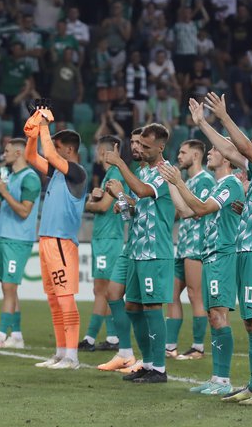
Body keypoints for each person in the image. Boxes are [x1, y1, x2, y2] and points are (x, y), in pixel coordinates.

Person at [197, 93, 252, 405]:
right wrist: (203, 123)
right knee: (251, 323)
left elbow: (242, 148)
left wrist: (223, 116)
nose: (249, 144)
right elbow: (228, 148)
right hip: (245, 254)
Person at [158, 120, 244, 395]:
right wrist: (172, 183)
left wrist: (179, 181)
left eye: (214, 151)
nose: (210, 153)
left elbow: (201, 208)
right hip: (210, 254)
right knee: (213, 315)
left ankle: (223, 380)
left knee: (219, 316)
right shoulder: (220, 185)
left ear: (227, 158)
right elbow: (186, 211)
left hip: (223, 254)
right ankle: (217, 378)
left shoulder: (230, 184)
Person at [103, 123, 176, 384]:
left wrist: (120, 165)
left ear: (161, 146)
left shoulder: (166, 172)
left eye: (146, 146)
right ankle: (146, 362)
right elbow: (137, 208)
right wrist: (122, 200)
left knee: (153, 306)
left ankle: (159, 367)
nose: (141, 150)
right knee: (132, 306)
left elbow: (146, 192)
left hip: (155, 251)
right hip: (137, 250)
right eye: (139, 145)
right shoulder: (143, 171)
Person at [24, 103, 88, 370]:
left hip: (62, 242)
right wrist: (33, 132)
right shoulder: (57, 173)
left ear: (69, 150)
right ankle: (61, 353)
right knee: (54, 300)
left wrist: (45, 125)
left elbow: (47, 151)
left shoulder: (76, 172)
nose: (51, 152)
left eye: (58, 148)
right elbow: (31, 156)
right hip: (48, 240)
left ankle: (72, 356)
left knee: (65, 298)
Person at [0, 139, 41, 349]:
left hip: (18, 239)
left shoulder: (30, 178)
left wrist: (4, 192)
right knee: (8, 288)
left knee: (9, 286)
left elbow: (25, 211)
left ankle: (0, 334)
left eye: (6, 151)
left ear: (18, 153)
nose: (3, 155)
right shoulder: (8, 176)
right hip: (4, 235)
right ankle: (16, 335)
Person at [97, 128, 144, 373]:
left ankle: (153, 361)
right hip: (132, 243)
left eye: (140, 143)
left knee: (145, 305)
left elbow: (150, 205)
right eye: (133, 142)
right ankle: (125, 353)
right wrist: (122, 204)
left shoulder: (155, 173)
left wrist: (121, 196)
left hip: (149, 247)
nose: (135, 147)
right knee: (112, 294)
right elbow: (133, 211)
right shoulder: (138, 172)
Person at [165, 140, 215, 360]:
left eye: (183, 152)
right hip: (183, 245)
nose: (179, 155)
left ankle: (197, 348)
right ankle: (169, 346)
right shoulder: (188, 181)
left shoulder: (205, 181)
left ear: (196, 155)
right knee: (172, 294)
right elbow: (179, 213)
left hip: (197, 245)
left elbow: (194, 212)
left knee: (196, 295)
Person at [81, 136, 128, 351]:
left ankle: (91, 338)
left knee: (102, 289)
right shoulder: (109, 174)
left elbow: (101, 208)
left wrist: (91, 201)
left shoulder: (115, 173)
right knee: (103, 289)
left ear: (102, 151)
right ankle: (112, 338)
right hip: (104, 238)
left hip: (108, 239)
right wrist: (94, 198)